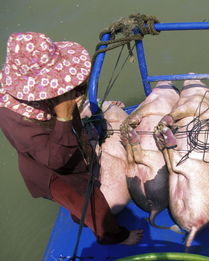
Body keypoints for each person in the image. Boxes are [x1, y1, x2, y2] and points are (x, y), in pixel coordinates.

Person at [0, 32, 143, 245]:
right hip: (56, 173)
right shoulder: (18, 121)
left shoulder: (43, 96)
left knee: (87, 191)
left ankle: (79, 215)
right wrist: (64, 116)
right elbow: (56, 160)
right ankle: (114, 236)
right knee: (92, 202)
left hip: (71, 149)